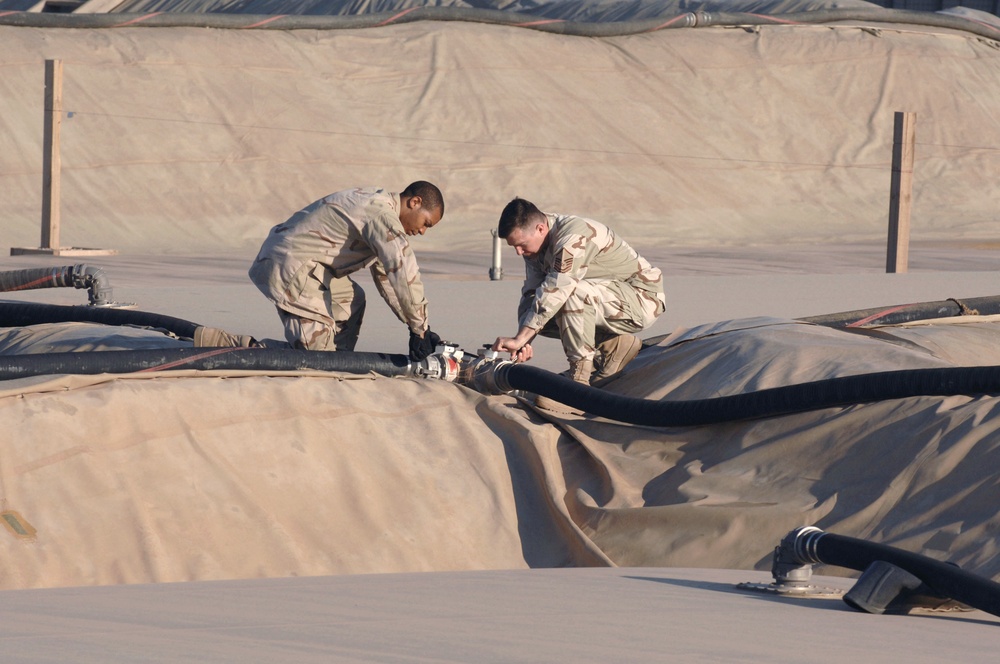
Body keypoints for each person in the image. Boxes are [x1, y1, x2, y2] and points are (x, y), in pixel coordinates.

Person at [491, 197, 665, 413]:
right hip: (606, 299)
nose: (518, 252)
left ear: (540, 228)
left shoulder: (572, 235)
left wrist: (522, 337)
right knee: (532, 313)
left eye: (521, 245)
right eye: (514, 246)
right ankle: (615, 346)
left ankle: (578, 387)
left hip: (641, 298)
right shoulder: (535, 248)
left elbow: (558, 288)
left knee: (571, 294)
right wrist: (523, 342)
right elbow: (532, 297)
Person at [249, 182, 445, 361]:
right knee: (315, 360)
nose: (422, 232)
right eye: (426, 223)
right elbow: (403, 269)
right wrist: (420, 329)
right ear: (415, 202)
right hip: (290, 264)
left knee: (352, 300)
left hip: (308, 264)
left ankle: (339, 362)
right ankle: (242, 349)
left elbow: (387, 278)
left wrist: (418, 327)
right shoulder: (381, 215)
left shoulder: (381, 211)